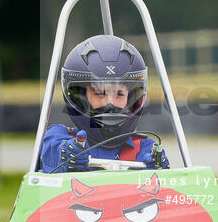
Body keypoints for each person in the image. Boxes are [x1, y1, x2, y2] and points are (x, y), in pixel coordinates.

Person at [39, 34, 170, 173]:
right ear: (80, 97)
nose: (110, 103)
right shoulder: (58, 137)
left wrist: (156, 171)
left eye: (119, 94)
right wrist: (67, 155)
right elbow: (52, 151)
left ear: (132, 97)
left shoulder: (144, 148)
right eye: (100, 94)